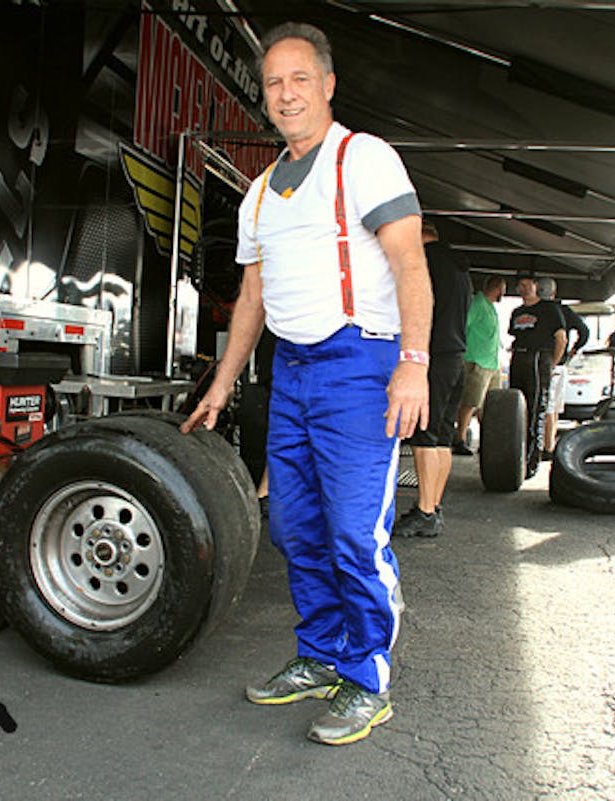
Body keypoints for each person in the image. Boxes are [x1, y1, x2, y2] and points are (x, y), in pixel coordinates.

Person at [180, 22, 431, 747]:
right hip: (289, 370)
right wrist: (222, 385)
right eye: (273, 83)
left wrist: (414, 362)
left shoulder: (364, 159)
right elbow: (252, 298)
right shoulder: (260, 193)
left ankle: (368, 676)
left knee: (354, 531)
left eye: (299, 79)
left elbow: (410, 265)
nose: (286, 94)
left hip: (361, 364)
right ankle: (321, 654)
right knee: (292, 526)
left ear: (327, 85)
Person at [393, 221, 472, 538]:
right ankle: (433, 506)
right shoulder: (460, 268)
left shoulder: (426, 262)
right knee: (442, 436)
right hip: (456, 357)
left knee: (423, 435)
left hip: (433, 356)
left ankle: (425, 512)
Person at [507, 272, 565, 478]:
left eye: (528, 284)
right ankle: (515, 459)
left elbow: (561, 338)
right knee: (516, 410)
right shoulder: (517, 312)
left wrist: (552, 363)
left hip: (539, 359)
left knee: (536, 410)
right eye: (520, 285)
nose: (524, 289)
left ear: (536, 286)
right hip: (518, 357)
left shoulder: (550, 309)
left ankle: (532, 461)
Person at [452, 275, 505, 455]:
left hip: (492, 363)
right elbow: (463, 325)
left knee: (490, 406)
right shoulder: (477, 303)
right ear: (498, 288)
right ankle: (459, 438)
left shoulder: (490, 306)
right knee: (470, 402)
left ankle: (488, 442)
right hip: (477, 361)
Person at [537, 276, 589, 460]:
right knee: (555, 407)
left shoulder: (539, 310)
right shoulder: (564, 310)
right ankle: (550, 444)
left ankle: (547, 448)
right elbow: (584, 332)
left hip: (547, 363)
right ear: (554, 292)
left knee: (546, 406)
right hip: (561, 365)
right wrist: (574, 349)